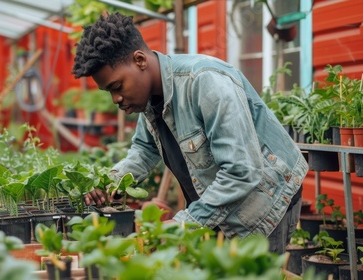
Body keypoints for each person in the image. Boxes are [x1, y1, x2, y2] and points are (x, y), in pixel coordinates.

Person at [71, 12, 307, 254]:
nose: (115, 99)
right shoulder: (150, 96)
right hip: (217, 201)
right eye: (108, 92)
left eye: (117, 87)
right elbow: (144, 149)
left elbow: (241, 171)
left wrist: (182, 224)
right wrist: (112, 182)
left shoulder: (205, 82)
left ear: (140, 60)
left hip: (263, 199)